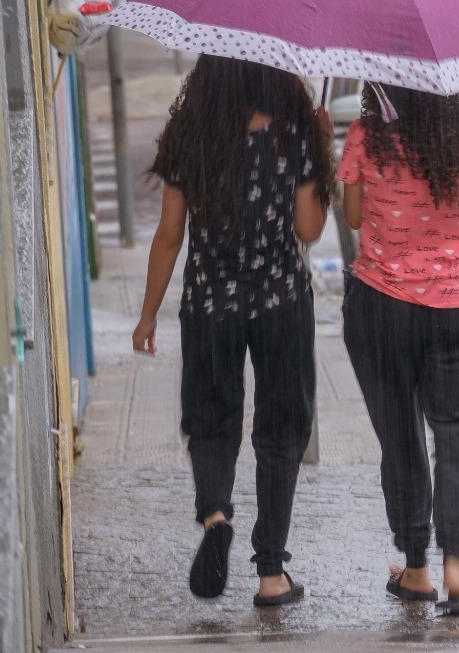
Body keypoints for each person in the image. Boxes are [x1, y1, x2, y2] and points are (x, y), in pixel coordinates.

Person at [131, 55, 334, 607]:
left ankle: (216, 514)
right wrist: (323, 151)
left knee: (211, 420)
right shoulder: (295, 129)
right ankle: (271, 573)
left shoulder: (190, 131)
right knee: (282, 430)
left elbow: (170, 235)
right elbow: (309, 230)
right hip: (281, 302)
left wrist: (148, 314)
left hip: (210, 302)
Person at [337, 83, 459, 615]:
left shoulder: (367, 136)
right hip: (458, 307)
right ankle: (456, 568)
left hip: (382, 307)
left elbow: (350, 217)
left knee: (400, 432)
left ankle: (416, 567)